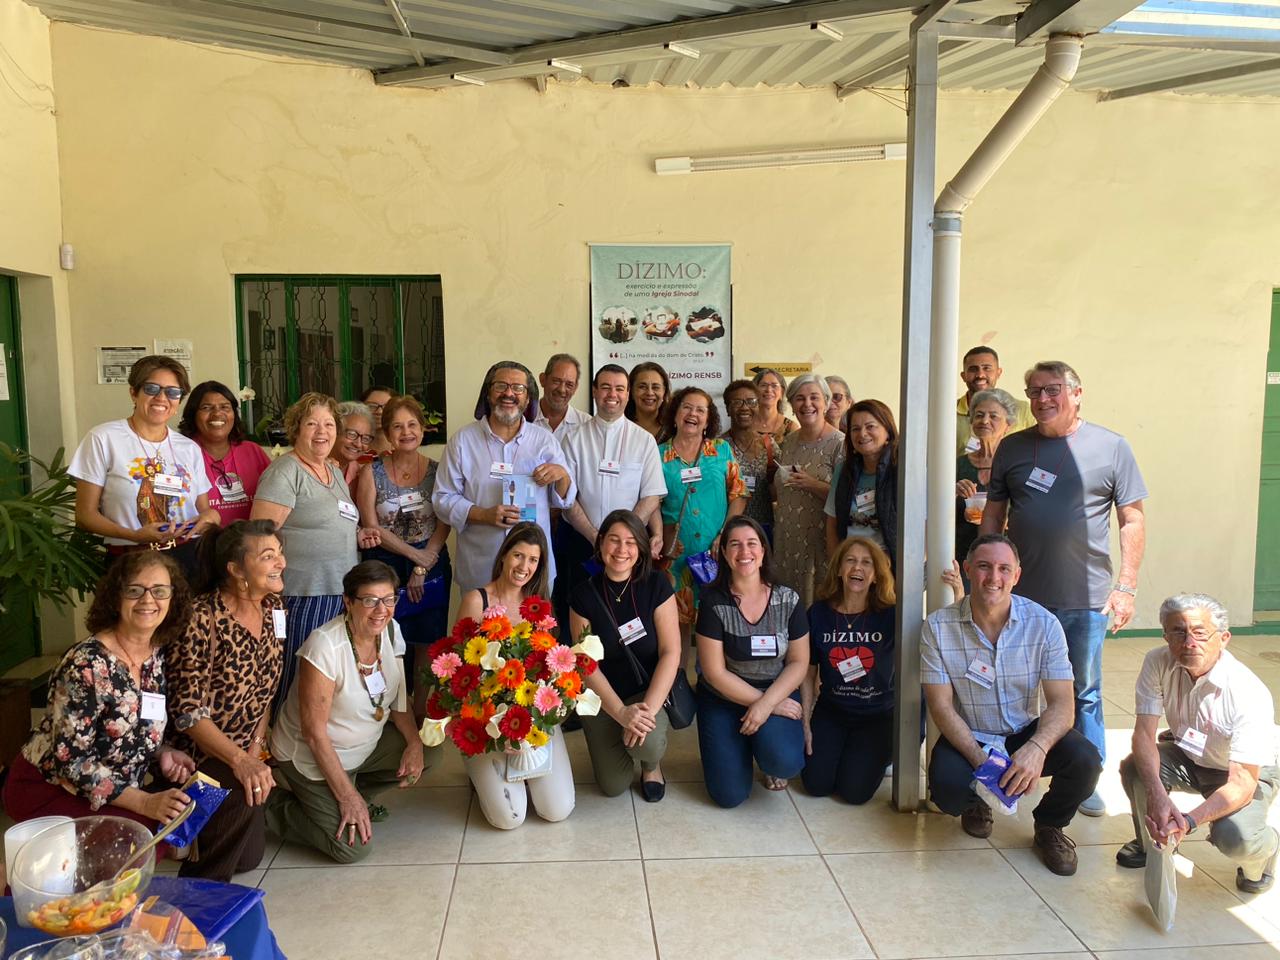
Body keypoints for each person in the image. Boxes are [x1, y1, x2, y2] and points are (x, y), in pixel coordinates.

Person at [981, 360, 1147, 816]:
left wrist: (1126, 586)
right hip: (1017, 597)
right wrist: (983, 573)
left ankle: (1083, 779)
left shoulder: (1112, 447)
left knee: (1083, 690)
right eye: (1033, 391)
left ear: (1077, 393)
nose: (1041, 399)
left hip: (1084, 599)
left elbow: (1131, 517)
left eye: (1052, 390)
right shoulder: (1013, 448)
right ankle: (1014, 768)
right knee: (1009, 688)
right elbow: (994, 515)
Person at [922, 534, 1102, 876]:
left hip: (1025, 729)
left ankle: (1050, 825)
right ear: (967, 570)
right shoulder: (938, 628)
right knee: (946, 791)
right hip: (972, 732)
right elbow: (942, 707)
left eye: (1005, 569)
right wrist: (984, 766)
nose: (994, 578)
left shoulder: (1044, 624)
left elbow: (1063, 703)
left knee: (1086, 760)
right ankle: (976, 803)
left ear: (1017, 575)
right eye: (985, 567)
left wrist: (1037, 747)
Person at [2, 554, 195, 831]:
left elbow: (128, 726)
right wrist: (144, 802)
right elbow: (72, 761)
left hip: (109, 790)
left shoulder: (156, 655)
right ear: (116, 597)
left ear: (172, 599)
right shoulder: (86, 664)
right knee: (141, 833)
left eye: (160, 591)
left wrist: (162, 752)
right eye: (134, 590)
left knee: (169, 825)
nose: (148, 599)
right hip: (52, 787)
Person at [268, 561, 436, 862]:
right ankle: (271, 805)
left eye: (388, 599)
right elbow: (314, 734)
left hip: (362, 747)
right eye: (370, 601)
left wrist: (413, 743)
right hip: (311, 757)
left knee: (429, 750)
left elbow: (398, 701)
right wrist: (347, 798)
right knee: (352, 848)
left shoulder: (391, 631)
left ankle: (349, 793)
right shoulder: (324, 647)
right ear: (348, 602)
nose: (381, 610)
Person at [1116, 593, 1278, 893]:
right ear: (1166, 636)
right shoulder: (1158, 661)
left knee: (1236, 838)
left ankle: (1265, 853)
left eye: (1200, 633)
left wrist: (1188, 822)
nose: (1189, 642)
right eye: (1178, 632)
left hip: (1245, 771)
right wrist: (1157, 793)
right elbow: (1143, 734)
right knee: (1137, 768)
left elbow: (1243, 781)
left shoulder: (1247, 691)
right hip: (1190, 756)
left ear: (1224, 638)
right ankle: (1152, 842)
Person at [166, 520, 287, 880]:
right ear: (235, 570)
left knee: (247, 858)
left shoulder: (275, 608)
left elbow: (267, 689)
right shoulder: (201, 617)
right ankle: (197, 905)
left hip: (243, 748)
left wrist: (254, 749)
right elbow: (188, 713)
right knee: (236, 807)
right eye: (268, 556)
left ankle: (202, 829)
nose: (281, 562)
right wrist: (239, 761)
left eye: (280, 553)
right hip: (194, 754)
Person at [252, 393, 379, 718]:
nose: (321, 432)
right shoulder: (285, 472)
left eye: (328, 424)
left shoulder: (333, 472)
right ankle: (280, 747)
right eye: (312, 424)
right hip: (303, 594)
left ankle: (317, 744)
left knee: (327, 677)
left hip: (339, 592)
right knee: (296, 678)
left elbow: (332, 522)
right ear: (296, 429)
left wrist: (356, 534)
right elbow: (260, 537)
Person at [455, 523, 576, 829]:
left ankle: (520, 778)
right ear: (504, 555)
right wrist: (495, 726)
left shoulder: (539, 608)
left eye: (533, 560)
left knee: (557, 809)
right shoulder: (476, 601)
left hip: (532, 719)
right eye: (518, 556)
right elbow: (458, 672)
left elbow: (551, 673)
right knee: (510, 819)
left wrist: (539, 719)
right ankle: (479, 771)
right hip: (485, 719)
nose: (524, 567)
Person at [433, 361, 576, 594]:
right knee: (479, 630)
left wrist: (561, 476)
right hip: (481, 566)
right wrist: (483, 514)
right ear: (488, 394)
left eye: (518, 388)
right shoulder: (462, 441)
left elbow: (564, 500)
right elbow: (442, 499)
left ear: (528, 399)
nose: (509, 393)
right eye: (501, 386)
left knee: (535, 631)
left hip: (532, 569)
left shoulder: (544, 441)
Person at [695, 517, 809, 806]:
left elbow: (798, 662)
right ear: (724, 553)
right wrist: (764, 704)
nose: (744, 551)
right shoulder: (712, 601)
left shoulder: (788, 599)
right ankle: (742, 744)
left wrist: (767, 704)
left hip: (775, 690)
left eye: (751, 543)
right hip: (723, 698)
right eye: (734, 544)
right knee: (729, 796)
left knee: (784, 762)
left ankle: (762, 744)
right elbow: (714, 672)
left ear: (763, 551)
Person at [71, 354, 219, 574]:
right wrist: (133, 534)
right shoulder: (104, 438)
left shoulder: (188, 448)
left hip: (187, 557)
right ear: (134, 392)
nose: (162, 398)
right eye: (151, 389)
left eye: (172, 392)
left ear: (179, 401)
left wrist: (209, 518)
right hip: (131, 558)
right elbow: (85, 515)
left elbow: (205, 509)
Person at [569, 510, 681, 802]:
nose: (622, 550)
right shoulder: (583, 595)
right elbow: (585, 664)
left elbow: (671, 652)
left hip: (647, 692)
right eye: (614, 540)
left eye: (631, 542)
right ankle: (623, 735)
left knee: (648, 745)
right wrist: (620, 713)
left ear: (641, 548)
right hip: (603, 696)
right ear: (601, 543)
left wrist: (646, 712)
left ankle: (651, 766)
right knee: (613, 786)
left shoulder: (657, 585)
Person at [357, 395, 452, 716]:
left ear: (423, 429)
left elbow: (445, 519)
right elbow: (371, 525)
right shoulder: (372, 472)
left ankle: (421, 711)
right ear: (387, 431)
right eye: (397, 426)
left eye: (412, 424)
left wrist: (424, 564)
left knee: (427, 641)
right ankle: (391, 712)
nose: (406, 432)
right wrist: (415, 557)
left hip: (432, 559)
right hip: (385, 566)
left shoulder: (439, 471)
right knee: (385, 640)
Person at [558, 364, 666, 640]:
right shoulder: (573, 439)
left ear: (628, 394)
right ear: (594, 391)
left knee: (628, 619)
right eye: (605, 387)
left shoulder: (644, 441)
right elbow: (566, 497)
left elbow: (652, 494)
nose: (612, 394)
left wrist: (622, 537)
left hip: (628, 550)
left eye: (619, 388)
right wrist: (596, 537)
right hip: (582, 542)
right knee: (581, 619)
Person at [801, 537, 898, 805]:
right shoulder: (818, 613)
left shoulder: (891, 615)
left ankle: (878, 755)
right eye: (851, 560)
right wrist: (806, 722)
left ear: (877, 575)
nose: (858, 568)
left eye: (867, 563)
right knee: (816, 785)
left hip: (876, 715)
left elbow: (934, 637)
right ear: (840, 570)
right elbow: (807, 672)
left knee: (853, 794)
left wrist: (956, 596)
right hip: (832, 710)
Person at [658, 387, 747, 636]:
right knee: (678, 624)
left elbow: (739, 495)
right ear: (675, 414)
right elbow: (652, 503)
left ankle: (713, 675)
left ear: (708, 420)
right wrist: (662, 542)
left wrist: (726, 534)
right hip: (676, 555)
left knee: (721, 622)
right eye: (686, 407)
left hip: (718, 552)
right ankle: (680, 674)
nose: (692, 414)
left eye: (700, 410)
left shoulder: (721, 451)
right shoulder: (658, 455)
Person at [773, 374, 843, 607]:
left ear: (826, 401)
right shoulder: (789, 441)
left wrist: (811, 484)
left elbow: (845, 498)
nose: (807, 404)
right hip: (787, 541)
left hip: (821, 543)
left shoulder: (840, 443)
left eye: (814, 397)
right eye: (799, 398)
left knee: (817, 609)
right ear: (792, 405)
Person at [179, 380, 273, 527]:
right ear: (193, 415)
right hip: (201, 544)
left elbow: (274, 497)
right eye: (206, 407)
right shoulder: (182, 454)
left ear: (234, 414)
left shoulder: (252, 451)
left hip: (249, 544)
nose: (217, 413)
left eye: (225, 407)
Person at [825, 399, 898, 566]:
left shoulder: (904, 472)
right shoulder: (843, 471)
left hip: (889, 567)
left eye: (870, 427)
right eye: (855, 429)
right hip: (851, 565)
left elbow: (924, 526)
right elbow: (832, 523)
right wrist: (836, 566)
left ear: (888, 431)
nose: (862, 434)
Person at [954, 388, 1018, 578]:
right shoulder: (957, 465)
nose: (984, 421)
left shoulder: (1016, 464)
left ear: (1008, 425)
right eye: (979, 415)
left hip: (1004, 561)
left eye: (993, 416)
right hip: (964, 559)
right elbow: (935, 511)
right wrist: (953, 492)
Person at [954, 346, 1035, 454]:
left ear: (998, 372)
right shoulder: (948, 413)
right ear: (963, 376)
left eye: (987, 368)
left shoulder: (1022, 409)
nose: (980, 375)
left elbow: (1038, 447)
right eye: (973, 369)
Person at [721, 380, 776, 539]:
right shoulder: (718, 447)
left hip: (763, 528)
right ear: (728, 409)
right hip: (729, 528)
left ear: (758, 406)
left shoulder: (769, 445)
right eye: (737, 402)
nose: (745, 407)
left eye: (751, 402)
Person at [534, 353, 588, 439]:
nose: (561, 390)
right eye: (556, 381)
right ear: (543, 380)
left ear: (575, 388)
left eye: (569, 384)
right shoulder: (521, 419)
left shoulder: (586, 424)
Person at [333, 401, 376, 488]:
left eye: (365, 438)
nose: (358, 444)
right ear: (334, 431)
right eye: (352, 434)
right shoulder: (311, 469)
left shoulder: (361, 474)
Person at [624, 361, 670, 441]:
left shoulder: (674, 427)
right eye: (642, 387)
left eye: (655, 387)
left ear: (664, 391)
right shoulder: (620, 425)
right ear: (631, 391)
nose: (649, 393)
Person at [752, 367, 797, 444]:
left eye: (774, 386)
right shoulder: (745, 424)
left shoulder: (791, 428)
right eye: (763, 385)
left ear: (782, 393)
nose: (769, 390)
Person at [359, 385, 395, 454]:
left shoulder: (404, 448)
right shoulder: (352, 449)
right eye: (372, 406)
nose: (379, 412)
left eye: (386, 406)